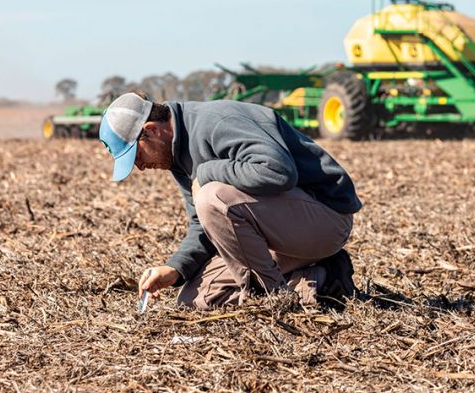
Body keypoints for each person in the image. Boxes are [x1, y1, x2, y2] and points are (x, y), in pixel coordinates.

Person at [98, 92, 362, 309]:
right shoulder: (176, 153)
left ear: (152, 130)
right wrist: (174, 269)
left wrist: (206, 171)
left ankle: (272, 298)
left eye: (136, 156)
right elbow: (203, 225)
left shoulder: (216, 122)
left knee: (212, 197)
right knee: (195, 299)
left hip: (326, 218)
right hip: (279, 232)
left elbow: (278, 171)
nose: (140, 167)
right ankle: (323, 277)